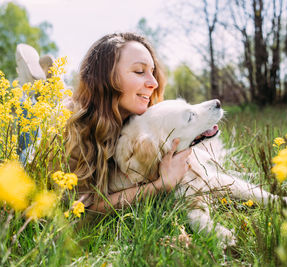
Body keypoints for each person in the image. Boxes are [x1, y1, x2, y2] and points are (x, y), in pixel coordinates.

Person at [64, 32, 192, 213]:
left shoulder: (140, 122)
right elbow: (79, 215)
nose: (154, 82)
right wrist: (160, 185)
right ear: (106, 79)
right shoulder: (71, 130)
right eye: (140, 71)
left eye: (153, 72)